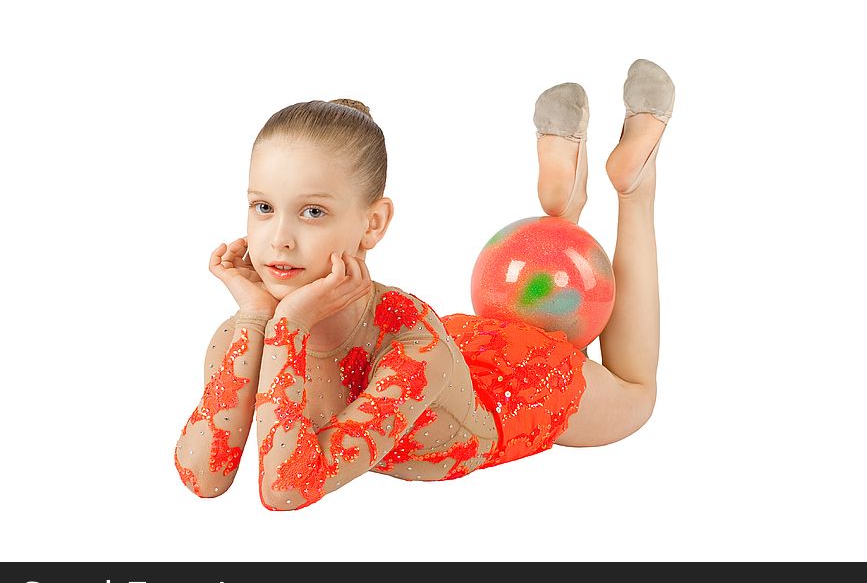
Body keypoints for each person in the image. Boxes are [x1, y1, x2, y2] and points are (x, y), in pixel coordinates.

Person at [173, 58, 674, 511]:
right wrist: (260, 319)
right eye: (263, 207)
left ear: (373, 224)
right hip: (468, 347)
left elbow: (287, 488)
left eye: (312, 212)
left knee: (637, 393)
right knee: (561, 309)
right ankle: (566, 204)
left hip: (524, 390)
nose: (278, 240)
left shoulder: (411, 339)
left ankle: (635, 191)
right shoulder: (246, 326)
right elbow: (204, 477)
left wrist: (288, 327)